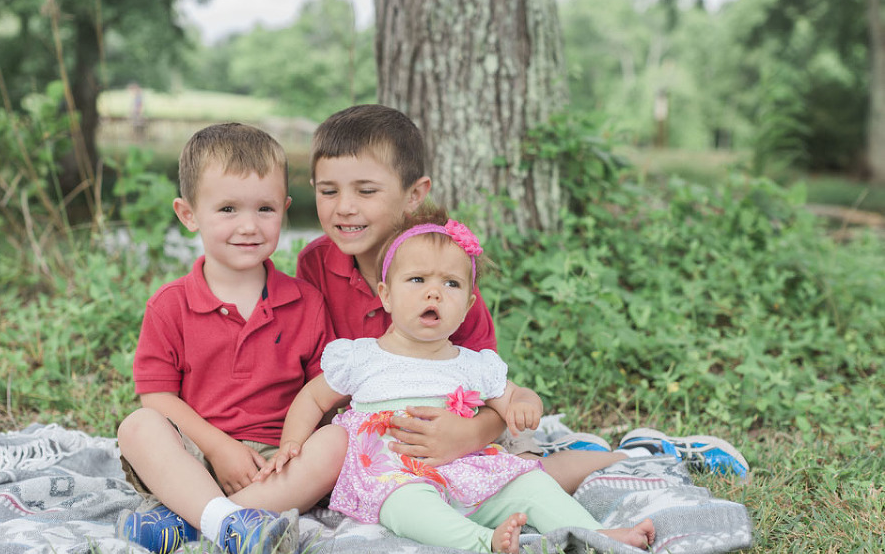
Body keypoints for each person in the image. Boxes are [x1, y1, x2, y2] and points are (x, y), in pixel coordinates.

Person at [296, 104, 750, 492]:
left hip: (456, 434)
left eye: (366, 191)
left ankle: (648, 456)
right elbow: (319, 376)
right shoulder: (316, 264)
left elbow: (490, 386)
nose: (344, 207)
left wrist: (469, 436)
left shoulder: (447, 273)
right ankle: (578, 447)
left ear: (415, 194)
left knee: (525, 480)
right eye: (328, 191)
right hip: (374, 440)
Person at [268, 210, 656, 554]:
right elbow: (313, 399)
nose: (434, 292)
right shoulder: (361, 356)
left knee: (532, 486)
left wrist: (525, 402)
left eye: (451, 284)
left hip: (469, 473)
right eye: (417, 279)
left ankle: (599, 535)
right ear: (386, 295)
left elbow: (510, 396)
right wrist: (292, 443)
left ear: (469, 304)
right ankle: (482, 542)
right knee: (406, 506)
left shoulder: (473, 364)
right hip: (395, 476)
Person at [116, 123, 348, 554]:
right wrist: (218, 448)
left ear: (285, 209)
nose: (249, 226)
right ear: (188, 215)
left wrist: (291, 448)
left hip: (276, 464)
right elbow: (157, 396)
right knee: (137, 427)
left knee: (337, 442)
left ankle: (194, 521)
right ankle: (229, 523)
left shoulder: (307, 302)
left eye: (265, 209)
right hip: (193, 455)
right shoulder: (170, 306)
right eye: (227, 209)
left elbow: (324, 394)